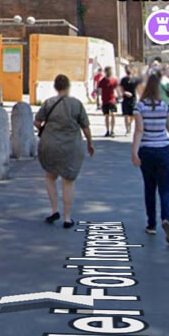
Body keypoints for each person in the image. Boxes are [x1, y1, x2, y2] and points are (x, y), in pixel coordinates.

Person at [34, 73, 94, 228]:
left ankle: (54, 210)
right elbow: (85, 127)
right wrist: (90, 143)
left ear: (55, 87)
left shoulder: (48, 103)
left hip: (50, 145)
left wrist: (44, 130)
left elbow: (37, 122)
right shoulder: (76, 104)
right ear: (68, 87)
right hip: (71, 146)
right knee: (68, 181)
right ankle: (67, 218)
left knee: (50, 176)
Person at [132, 71, 169, 244]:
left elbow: (139, 131)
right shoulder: (165, 106)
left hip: (146, 151)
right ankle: (167, 219)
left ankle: (151, 224)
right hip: (163, 150)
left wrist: (134, 152)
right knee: (165, 188)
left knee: (149, 188)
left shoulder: (140, 106)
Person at [98, 66, 119, 136]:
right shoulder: (102, 81)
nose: (109, 73)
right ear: (106, 72)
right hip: (105, 100)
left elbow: (117, 89)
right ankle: (107, 130)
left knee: (113, 114)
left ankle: (112, 130)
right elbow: (99, 91)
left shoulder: (114, 80)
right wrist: (99, 100)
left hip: (112, 100)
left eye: (110, 71)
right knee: (106, 115)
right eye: (108, 71)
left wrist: (118, 97)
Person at [119, 66, 138, 135]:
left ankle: (130, 123)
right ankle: (127, 129)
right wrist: (124, 92)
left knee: (133, 114)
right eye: (126, 69)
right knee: (126, 114)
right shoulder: (123, 79)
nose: (128, 70)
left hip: (133, 98)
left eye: (129, 69)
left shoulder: (135, 79)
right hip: (125, 98)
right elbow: (120, 88)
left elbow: (138, 89)